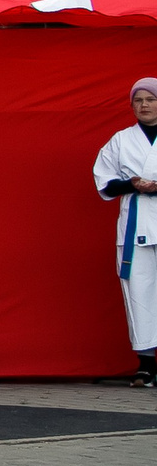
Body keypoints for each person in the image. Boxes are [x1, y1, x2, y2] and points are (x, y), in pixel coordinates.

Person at [96, 76, 157, 386]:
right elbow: (104, 180)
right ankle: (146, 362)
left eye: (150, 99)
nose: (143, 105)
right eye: (138, 100)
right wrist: (133, 184)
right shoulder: (121, 140)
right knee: (139, 291)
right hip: (136, 225)